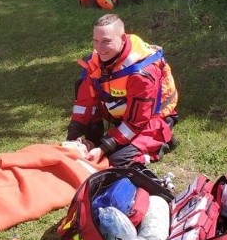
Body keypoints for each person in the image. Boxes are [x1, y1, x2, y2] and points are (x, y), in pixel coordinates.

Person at [65, 14, 179, 168]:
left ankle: (161, 143)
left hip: (150, 118)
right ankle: (96, 140)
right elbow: (84, 102)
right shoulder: (96, 59)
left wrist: (105, 147)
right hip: (125, 111)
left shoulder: (142, 73)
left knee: (116, 160)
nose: (99, 48)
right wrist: (72, 137)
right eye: (96, 41)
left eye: (106, 41)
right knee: (82, 82)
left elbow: (137, 121)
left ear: (123, 39)